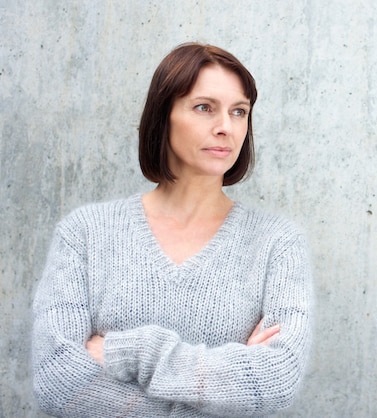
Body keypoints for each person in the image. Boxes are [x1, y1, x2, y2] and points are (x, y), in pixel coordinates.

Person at [32, 43, 313, 417]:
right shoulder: (85, 234)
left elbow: (277, 379)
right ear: (163, 116)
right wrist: (226, 382)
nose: (225, 127)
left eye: (239, 112)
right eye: (204, 107)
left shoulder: (277, 243)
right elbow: (57, 381)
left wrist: (131, 352)